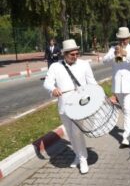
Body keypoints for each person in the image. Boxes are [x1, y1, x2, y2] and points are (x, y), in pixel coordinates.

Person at [43, 39, 97, 174]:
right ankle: (78, 156)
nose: (75, 56)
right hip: (64, 106)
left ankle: (83, 159)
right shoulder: (55, 66)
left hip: (81, 105)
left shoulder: (84, 65)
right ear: (64, 54)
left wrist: (98, 97)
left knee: (76, 132)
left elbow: (92, 83)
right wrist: (53, 89)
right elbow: (47, 83)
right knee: (70, 134)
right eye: (72, 54)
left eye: (77, 53)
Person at [103, 27, 130, 146]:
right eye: (120, 39)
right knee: (126, 109)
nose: (122, 41)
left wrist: (127, 55)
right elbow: (105, 61)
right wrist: (114, 54)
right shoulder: (113, 49)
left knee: (127, 109)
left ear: (129, 38)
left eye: (125, 39)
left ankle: (126, 136)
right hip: (118, 86)